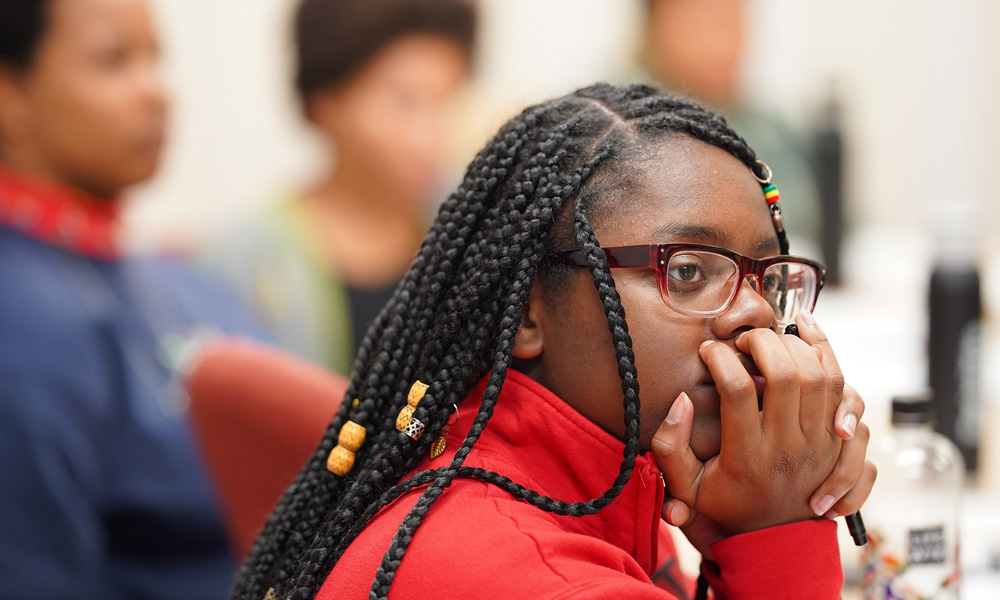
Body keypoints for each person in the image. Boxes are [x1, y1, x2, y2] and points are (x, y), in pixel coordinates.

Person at [230, 83, 876, 600]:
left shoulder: (569, 485)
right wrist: (780, 535)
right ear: (529, 313)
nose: (754, 316)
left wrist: (741, 532)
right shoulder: (542, 579)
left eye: (766, 278)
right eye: (687, 271)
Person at [0, 0, 261, 598]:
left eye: (156, 58)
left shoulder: (184, 282)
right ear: (11, 94)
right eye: (114, 61)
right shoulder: (21, 323)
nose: (156, 91)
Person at [208, 0, 476, 376]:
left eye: (447, 99)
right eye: (405, 102)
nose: (430, 135)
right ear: (324, 103)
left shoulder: (476, 236)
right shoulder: (246, 262)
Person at [640, 0, 822, 245]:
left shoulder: (774, 127)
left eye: (733, 24)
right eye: (703, 26)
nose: (723, 46)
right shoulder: (614, 125)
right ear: (654, 27)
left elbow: (830, 221)